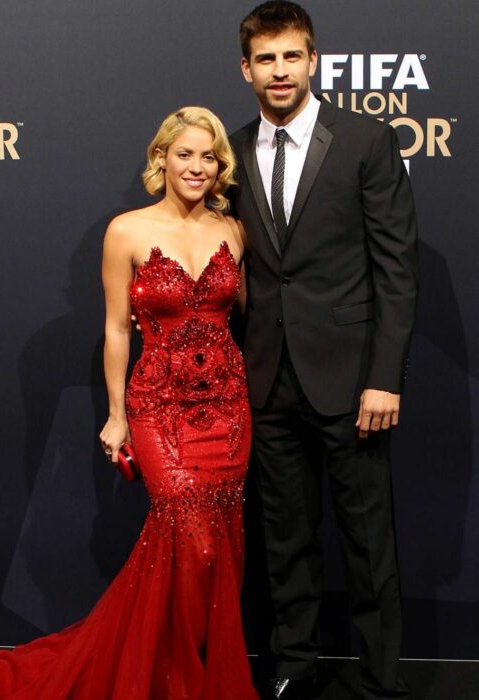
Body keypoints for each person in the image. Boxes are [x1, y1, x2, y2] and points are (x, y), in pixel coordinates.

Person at [0, 106, 258, 700]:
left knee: (221, 544)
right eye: (184, 154)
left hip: (226, 405)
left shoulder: (235, 230)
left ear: (221, 166)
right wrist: (116, 415)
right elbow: (116, 329)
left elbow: (253, 318)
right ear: (160, 157)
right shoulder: (127, 230)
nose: (196, 166)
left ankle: (189, 661)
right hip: (159, 406)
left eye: (208, 156)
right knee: (188, 534)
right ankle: (169, 674)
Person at [229, 3, 419, 699]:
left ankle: (380, 681)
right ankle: (294, 669)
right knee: (286, 542)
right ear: (246, 68)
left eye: (292, 57)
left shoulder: (366, 140)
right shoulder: (234, 147)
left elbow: (396, 267)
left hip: (353, 384)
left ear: (313, 61)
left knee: (369, 545)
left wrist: (384, 377)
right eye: (266, 59)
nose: (280, 71)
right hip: (268, 381)